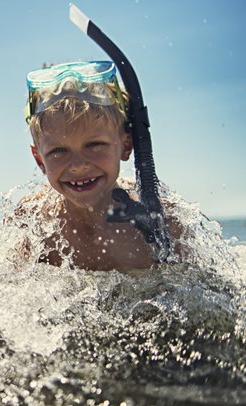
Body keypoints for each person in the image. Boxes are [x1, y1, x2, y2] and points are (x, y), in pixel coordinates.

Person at [17, 61, 182, 271]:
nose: (77, 165)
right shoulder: (32, 224)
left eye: (94, 145)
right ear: (40, 160)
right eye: (58, 151)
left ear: (126, 145)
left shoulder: (163, 222)